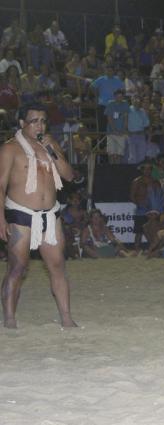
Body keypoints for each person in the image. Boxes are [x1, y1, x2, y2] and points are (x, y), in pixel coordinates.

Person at [0, 103, 75, 328]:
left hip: (50, 215)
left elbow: (69, 176)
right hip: (19, 213)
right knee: (17, 267)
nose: (39, 125)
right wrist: (0, 219)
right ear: (22, 123)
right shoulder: (10, 149)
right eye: (34, 121)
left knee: (57, 265)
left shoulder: (50, 144)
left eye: (43, 121)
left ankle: (66, 317)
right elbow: (0, 184)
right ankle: (10, 319)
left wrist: (53, 152)